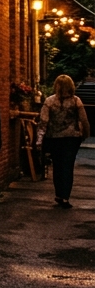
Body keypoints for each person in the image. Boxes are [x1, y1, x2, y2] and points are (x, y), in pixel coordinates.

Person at [39, 74, 89, 209]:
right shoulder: (76, 101)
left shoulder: (49, 101)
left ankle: (59, 194)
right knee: (68, 166)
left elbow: (43, 121)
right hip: (72, 138)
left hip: (55, 138)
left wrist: (39, 140)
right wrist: (85, 134)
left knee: (57, 166)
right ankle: (66, 197)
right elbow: (84, 119)